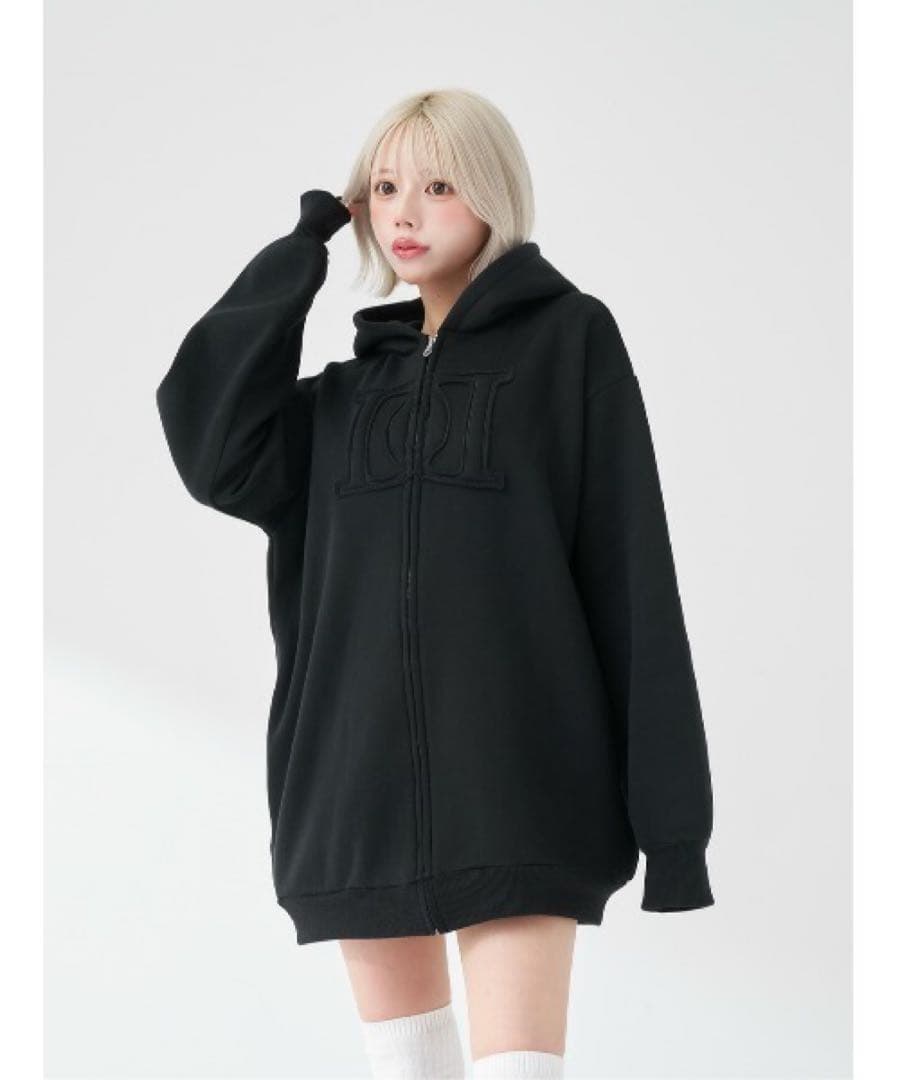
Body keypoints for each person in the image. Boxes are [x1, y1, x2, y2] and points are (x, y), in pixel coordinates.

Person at [155, 87, 715, 1080]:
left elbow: (634, 575)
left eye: (440, 185)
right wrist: (304, 246)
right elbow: (208, 439)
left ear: (494, 192)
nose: (404, 214)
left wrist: (673, 829)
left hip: (523, 786)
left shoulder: (570, 342)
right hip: (353, 791)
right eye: (383, 189)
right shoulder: (339, 401)